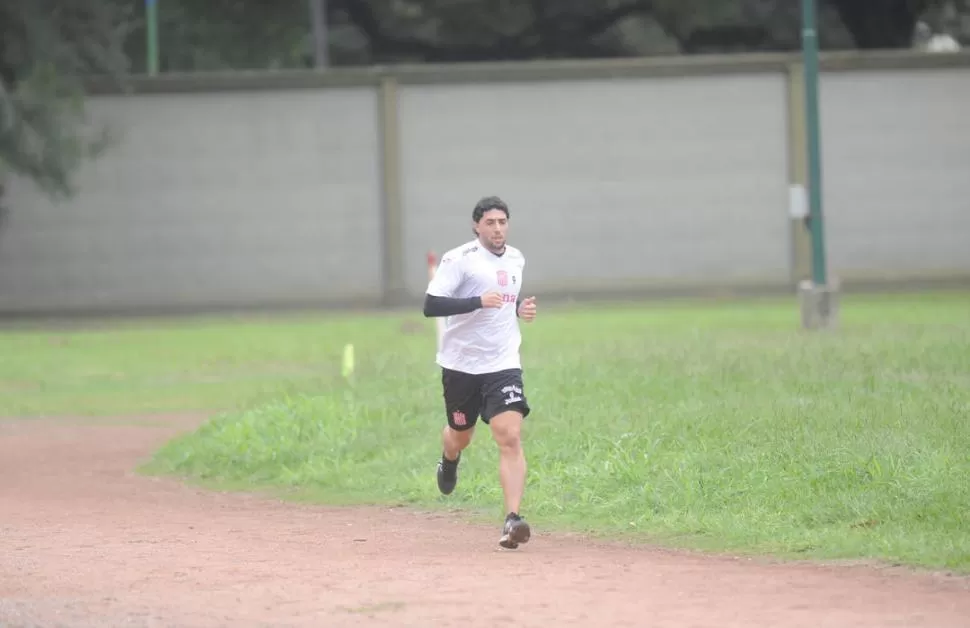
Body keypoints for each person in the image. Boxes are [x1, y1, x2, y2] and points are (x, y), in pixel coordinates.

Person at [422, 195, 538, 549]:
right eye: (490, 223)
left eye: (502, 222)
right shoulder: (459, 260)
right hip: (461, 365)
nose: (498, 228)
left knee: (510, 436)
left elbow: (501, 297)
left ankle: (512, 519)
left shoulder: (517, 257)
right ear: (477, 226)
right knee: (460, 434)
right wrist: (476, 302)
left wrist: (518, 307)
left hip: (502, 362)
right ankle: (449, 459)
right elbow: (431, 305)